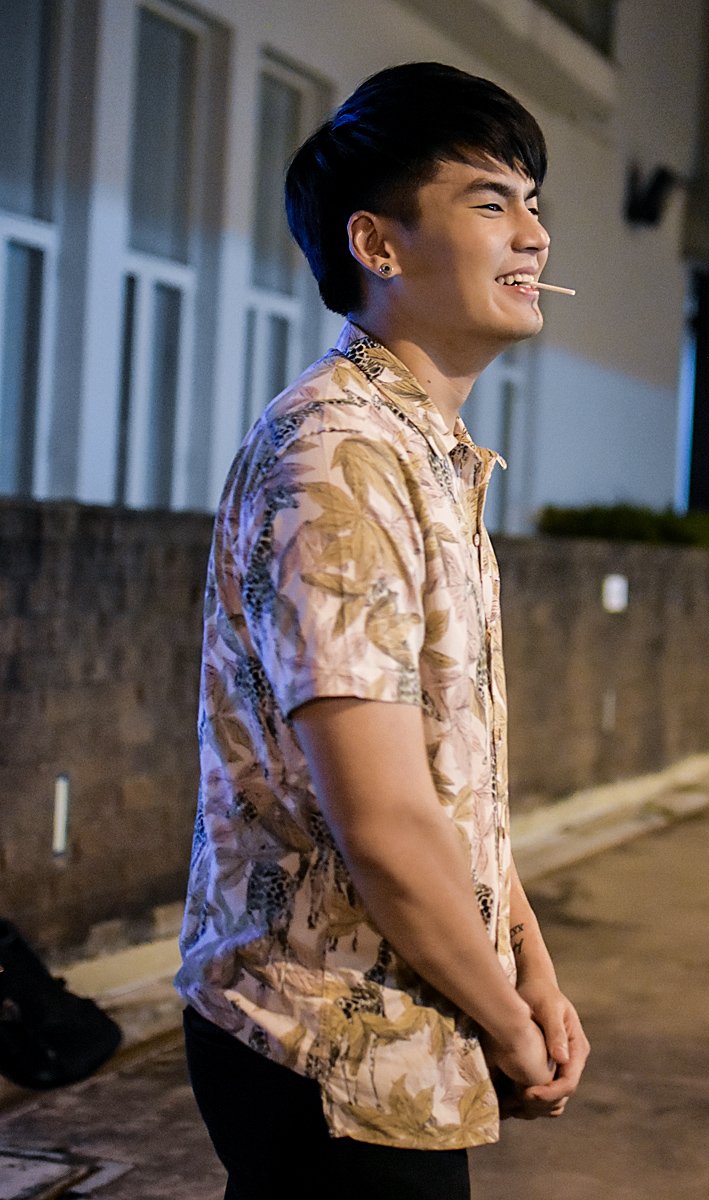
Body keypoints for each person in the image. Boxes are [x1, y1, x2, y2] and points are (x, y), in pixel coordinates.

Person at [175, 61, 589, 1199]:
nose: (534, 236)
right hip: (326, 1041)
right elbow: (384, 817)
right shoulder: (339, 458)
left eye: (534, 203)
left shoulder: (421, 452)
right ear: (378, 244)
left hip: (401, 1028)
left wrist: (529, 966)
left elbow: (451, 790)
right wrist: (511, 1024)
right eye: (491, 201)